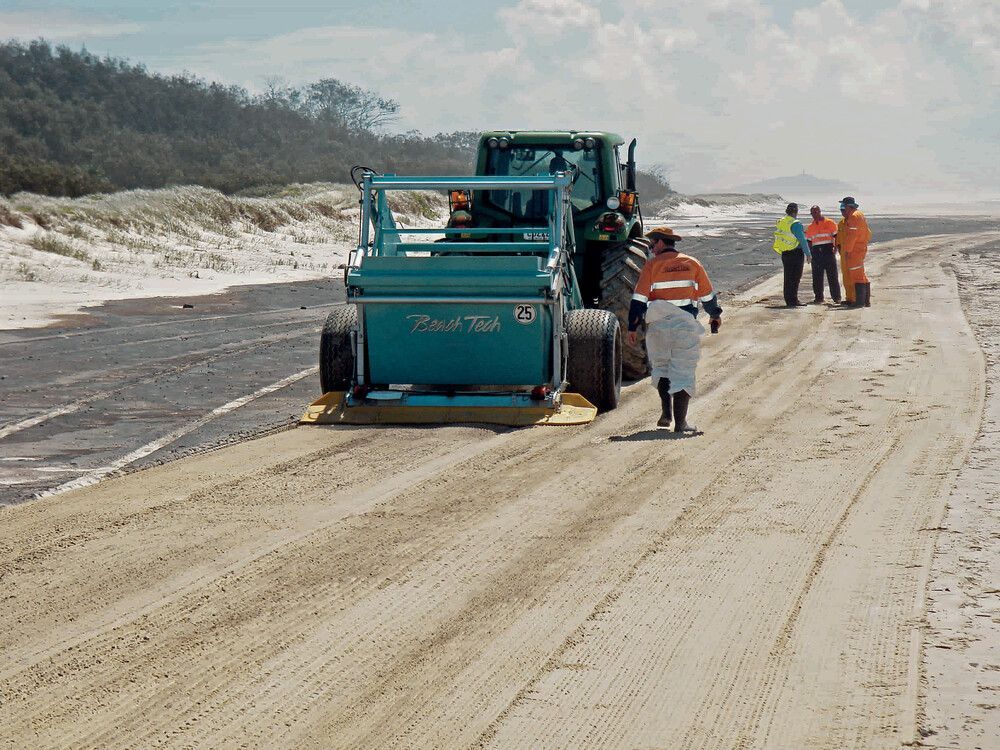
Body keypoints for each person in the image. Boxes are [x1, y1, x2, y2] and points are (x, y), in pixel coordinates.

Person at [627, 226, 723, 432]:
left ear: (661, 242)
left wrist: (632, 327)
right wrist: (715, 315)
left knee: (662, 366)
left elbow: (639, 299)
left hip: (658, 326)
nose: (651, 248)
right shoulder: (692, 263)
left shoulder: (651, 266)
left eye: (652, 243)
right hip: (684, 326)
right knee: (683, 370)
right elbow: (707, 296)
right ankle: (681, 423)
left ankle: (666, 413)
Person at [772, 203, 812, 307]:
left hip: (785, 252)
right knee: (795, 277)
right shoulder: (795, 223)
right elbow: (802, 240)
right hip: (795, 253)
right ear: (796, 211)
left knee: (788, 277)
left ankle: (788, 300)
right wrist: (808, 254)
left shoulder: (781, 221)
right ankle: (793, 301)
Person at [836, 196, 872, 307]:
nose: (842, 209)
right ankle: (854, 299)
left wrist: (847, 251)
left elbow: (852, 237)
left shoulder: (854, 217)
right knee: (853, 274)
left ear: (848, 207)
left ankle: (859, 301)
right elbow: (868, 233)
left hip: (854, 251)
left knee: (856, 274)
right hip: (854, 250)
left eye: (843, 207)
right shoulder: (853, 218)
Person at [804, 205, 841, 304]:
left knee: (832, 276)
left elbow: (837, 236)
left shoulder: (829, 223)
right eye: (812, 213)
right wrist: (810, 254)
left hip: (828, 250)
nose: (814, 215)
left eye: (816, 212)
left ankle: (836, 297)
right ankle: (819, 297)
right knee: (817, 277)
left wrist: (836, 247)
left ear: (820, 212)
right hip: (816, 253)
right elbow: (809, 241)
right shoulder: (811, 227)